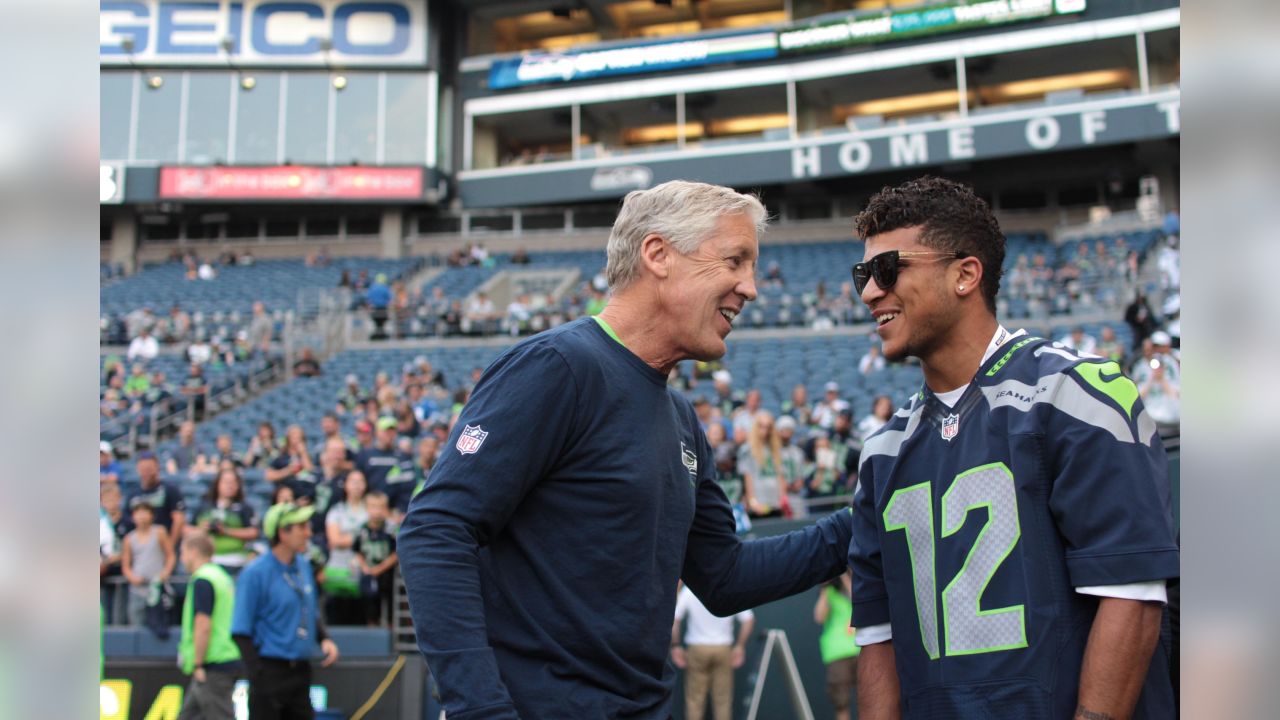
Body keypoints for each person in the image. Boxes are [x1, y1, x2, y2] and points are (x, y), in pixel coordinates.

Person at [399, 180, 852, 719]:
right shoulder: (558, 368)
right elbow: (436, 530)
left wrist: (864, 519)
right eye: (735, 261)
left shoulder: (683, 418)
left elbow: (725, 577)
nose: (750, 287)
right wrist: (480, 710)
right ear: (658, 255)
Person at [846, 177, 1178, 719]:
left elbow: (1132, 598)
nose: (868, 292)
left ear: (965, 274)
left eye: (888, 270)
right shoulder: (882, 450)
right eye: (864, 273)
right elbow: (878, 637)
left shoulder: (1077, 395)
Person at [232, 503, 340, 720]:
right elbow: (240, 630)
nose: (308, 533)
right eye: (301, 527)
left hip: (300, 671)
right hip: (269, 671)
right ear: (282, 532)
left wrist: (324, 638)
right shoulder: (255, 573)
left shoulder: (302, 565)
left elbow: (308, 607)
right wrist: (258, 677)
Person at [177, 531, 241, 720]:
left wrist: (198, 663)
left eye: (183, 552)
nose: (182, 558)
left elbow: (203, 624)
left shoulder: (204, 579)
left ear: (193, 551)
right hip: (223, 657)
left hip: (214, 662)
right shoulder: (221, 576)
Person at [671, 583, 754, 720]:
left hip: (697, 648)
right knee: (723, 702)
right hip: (722, 648)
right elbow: (749, 619)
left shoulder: (691, 589)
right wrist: (740, 646)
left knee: (694, 701)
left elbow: (675, 618)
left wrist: (676, 646)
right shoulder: (730, 588)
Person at [192, 468, 259, 574]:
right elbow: (186, 528)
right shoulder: (204, 505)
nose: (230, 486)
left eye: (233, 482)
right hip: (207, 560)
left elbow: (254, 532)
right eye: (226, 482)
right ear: (218, 483)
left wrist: (226, 531)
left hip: (235, 560)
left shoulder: (244, 508)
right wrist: (201, 530)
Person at [121, 500, 176, 626]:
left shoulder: (160, 532)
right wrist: (132, 577)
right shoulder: (129, 538)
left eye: (145, 512)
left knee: (160, 622)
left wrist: (165, 572)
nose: (141, 516)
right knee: (136, 622)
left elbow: (171, 555)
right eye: (138, 512)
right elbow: (126, 565)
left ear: (152, 515)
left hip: (157, 587)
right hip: (137, 590)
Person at [814, 571, 860, 720]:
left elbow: (857, 600)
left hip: (861, 649)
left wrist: (844, 575)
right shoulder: (830, 593)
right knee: (841, 702)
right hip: (837, 653)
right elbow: (819, 617)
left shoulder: (857, 587)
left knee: (868, 698)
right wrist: (825, 588)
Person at [353, 491, 398, 627]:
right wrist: (364, 567)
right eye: (373, 507)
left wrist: (380, 568)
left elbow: (397, 553)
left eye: (380, 507)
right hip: (368, 574)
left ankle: (391, 633)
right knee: (370, 605)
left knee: (390, 604)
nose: (377, 511)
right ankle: (372, 629)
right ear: (366, 508)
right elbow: (357, 551)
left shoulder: (390, 529)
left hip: (387, 575)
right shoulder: (362, 530)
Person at [127, 451, 187, 538]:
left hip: (165, 540)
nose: (147, 473)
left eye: (149, 469)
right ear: (138, 469)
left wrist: (170, 545)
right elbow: (127, 519)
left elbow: (179, 519)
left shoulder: (170, 490)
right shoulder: (132, 493)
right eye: (143, 469)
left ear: (157, 468)